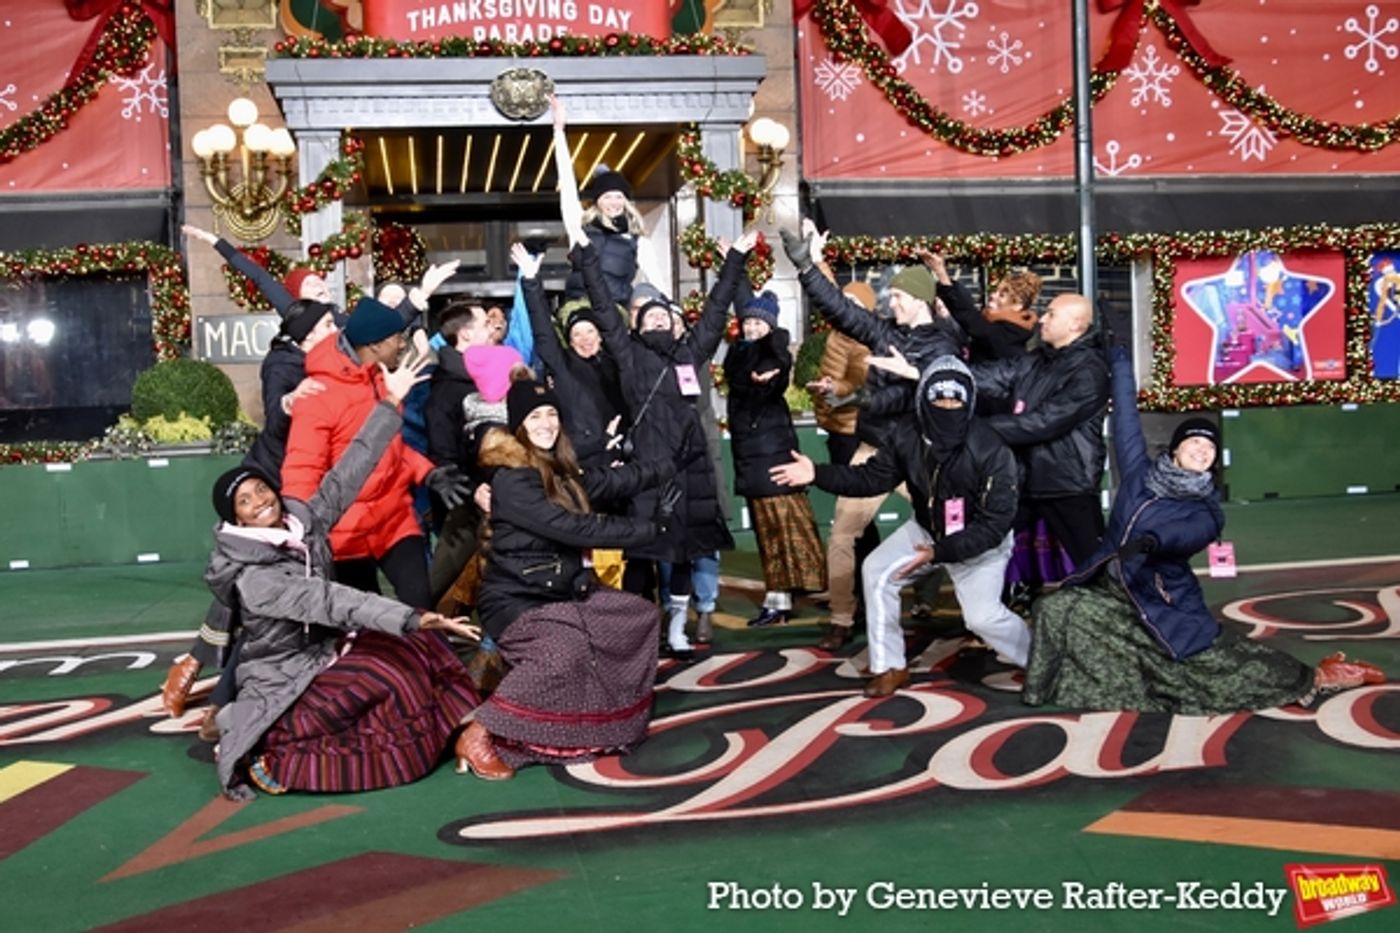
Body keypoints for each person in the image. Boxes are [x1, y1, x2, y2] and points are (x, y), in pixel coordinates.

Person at [1023, 347, 1386, 712]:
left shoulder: (1206, 507)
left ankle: (1316, 678)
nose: (1202, 450)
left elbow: (1190, 534)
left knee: (1213, 671)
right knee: (1057, 608)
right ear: (1177, 449)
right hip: (1114, 590)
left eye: (1209, 446)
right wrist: (1120, 362)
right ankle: (1049, 690)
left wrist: (1153, 541)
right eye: (1194, 441)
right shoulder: (1139, 473)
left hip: (1163, 601)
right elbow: (1126, 420)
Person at [205, 356, 482, 799]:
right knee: (387, 674)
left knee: (415, 653)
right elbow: (332, 601)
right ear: (235, 519)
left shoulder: (301, 521)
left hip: (324, 654)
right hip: (283, 678)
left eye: (260, 489)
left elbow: (350, 470)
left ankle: (460, 729)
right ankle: (256, 738)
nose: (259, 500)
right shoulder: (254, 577)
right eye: (244, 501)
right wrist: (416, 616)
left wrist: (390, 402)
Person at [772, 356, 1030, 697]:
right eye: (939, 399)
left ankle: (1038, 658)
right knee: (877, 571)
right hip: (927, 530)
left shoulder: (991, 448)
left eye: (956, 400)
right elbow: (871, 478)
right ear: (924, 400)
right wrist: (817, 474)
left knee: (982, 619)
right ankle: (889, 666)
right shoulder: (906, 433)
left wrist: (939, 553)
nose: (947, 407)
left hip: (978, 544)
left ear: (968, 405)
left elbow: (994, 524)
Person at [458, 374, 674, 779]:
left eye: (552, 414)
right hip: (517, 599)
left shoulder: (555, 467)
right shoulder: (513, 477)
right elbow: (574, 528)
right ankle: (480, 733)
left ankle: (596, 719)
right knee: (565, 651)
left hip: (562, 592)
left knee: (637, 616)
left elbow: (608, 480)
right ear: (518, 425)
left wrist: (667, 466)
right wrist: (649, 530)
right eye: (535, 416)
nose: (546, 423)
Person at [782, 220, 964, 650]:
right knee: (843, 533)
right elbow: (842, 310)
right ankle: (843, 617)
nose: (891, 302)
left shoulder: (943, 344)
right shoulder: (884, 333)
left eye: (898, 296)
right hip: (875, 448)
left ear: (920, 299)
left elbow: (950, 386)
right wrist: (809, 266)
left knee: (948, 533)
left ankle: (961, 607)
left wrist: (913, 374)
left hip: (923, 456)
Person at [590, 236, 752, 658]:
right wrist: (585, 260)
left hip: (687, 469)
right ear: (639, 325)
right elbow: (605, 313)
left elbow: (716, 313)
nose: (658, 320)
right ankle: (637, 631)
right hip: (645, 470)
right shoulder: (627, 356)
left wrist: (734, 259)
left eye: (664, 315)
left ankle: (678, 628)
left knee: (682, 554)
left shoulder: (689, 354)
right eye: (650, 317)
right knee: (640, 554)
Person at [281, 296, 469, 610]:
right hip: (344, 534)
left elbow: (391, 448)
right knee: (364, 624)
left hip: (394, 520)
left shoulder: (383, 379)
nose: (402, 345)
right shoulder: (318, 395)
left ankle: (424, 657)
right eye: (398, 338)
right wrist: (301, 533)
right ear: (375, 345)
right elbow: (302, 468)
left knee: (419, 610)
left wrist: (428, 473)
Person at [971, 293, 1109, 570]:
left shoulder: (1089, 371)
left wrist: (979, 430)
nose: (1042, 319)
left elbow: (1044, 422)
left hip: (1067, 485)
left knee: (1094, 564)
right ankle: (989, 609)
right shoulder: (1037, 361)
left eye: (1051, 314)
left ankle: (1119, 611)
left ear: (1076, 324)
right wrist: (931, 373)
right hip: (1024, 478)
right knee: (983, 549)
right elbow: (991, 375)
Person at [725, 290, 826, 625]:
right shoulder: (739, 352)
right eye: (749, 321)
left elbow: (777, 370)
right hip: (753, 454)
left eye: (759, 322)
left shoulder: (774, 350)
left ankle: (793, 596)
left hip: (771, 453)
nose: (753, 327)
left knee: (783, 528)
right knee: (770, 531)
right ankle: (782, 597)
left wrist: (767, 379)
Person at [551, 96, 666, 307]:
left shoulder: (637, 240)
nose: (614, 202)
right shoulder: (580, 227)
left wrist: (670, 306)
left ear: (626, 201)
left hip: (616, 312)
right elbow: (567, 184)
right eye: (607, 197)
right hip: (581, 309)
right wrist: (559, 131)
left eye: (619, 196)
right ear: (597, 201)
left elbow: (656, 278)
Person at [921, 252, 1040, 365]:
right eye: (995, 291)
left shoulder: (1010, 334)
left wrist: (941, 273)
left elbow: (971, 319)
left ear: (1017, 306)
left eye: (1002, 295)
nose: (993, 296)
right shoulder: (994, 324)